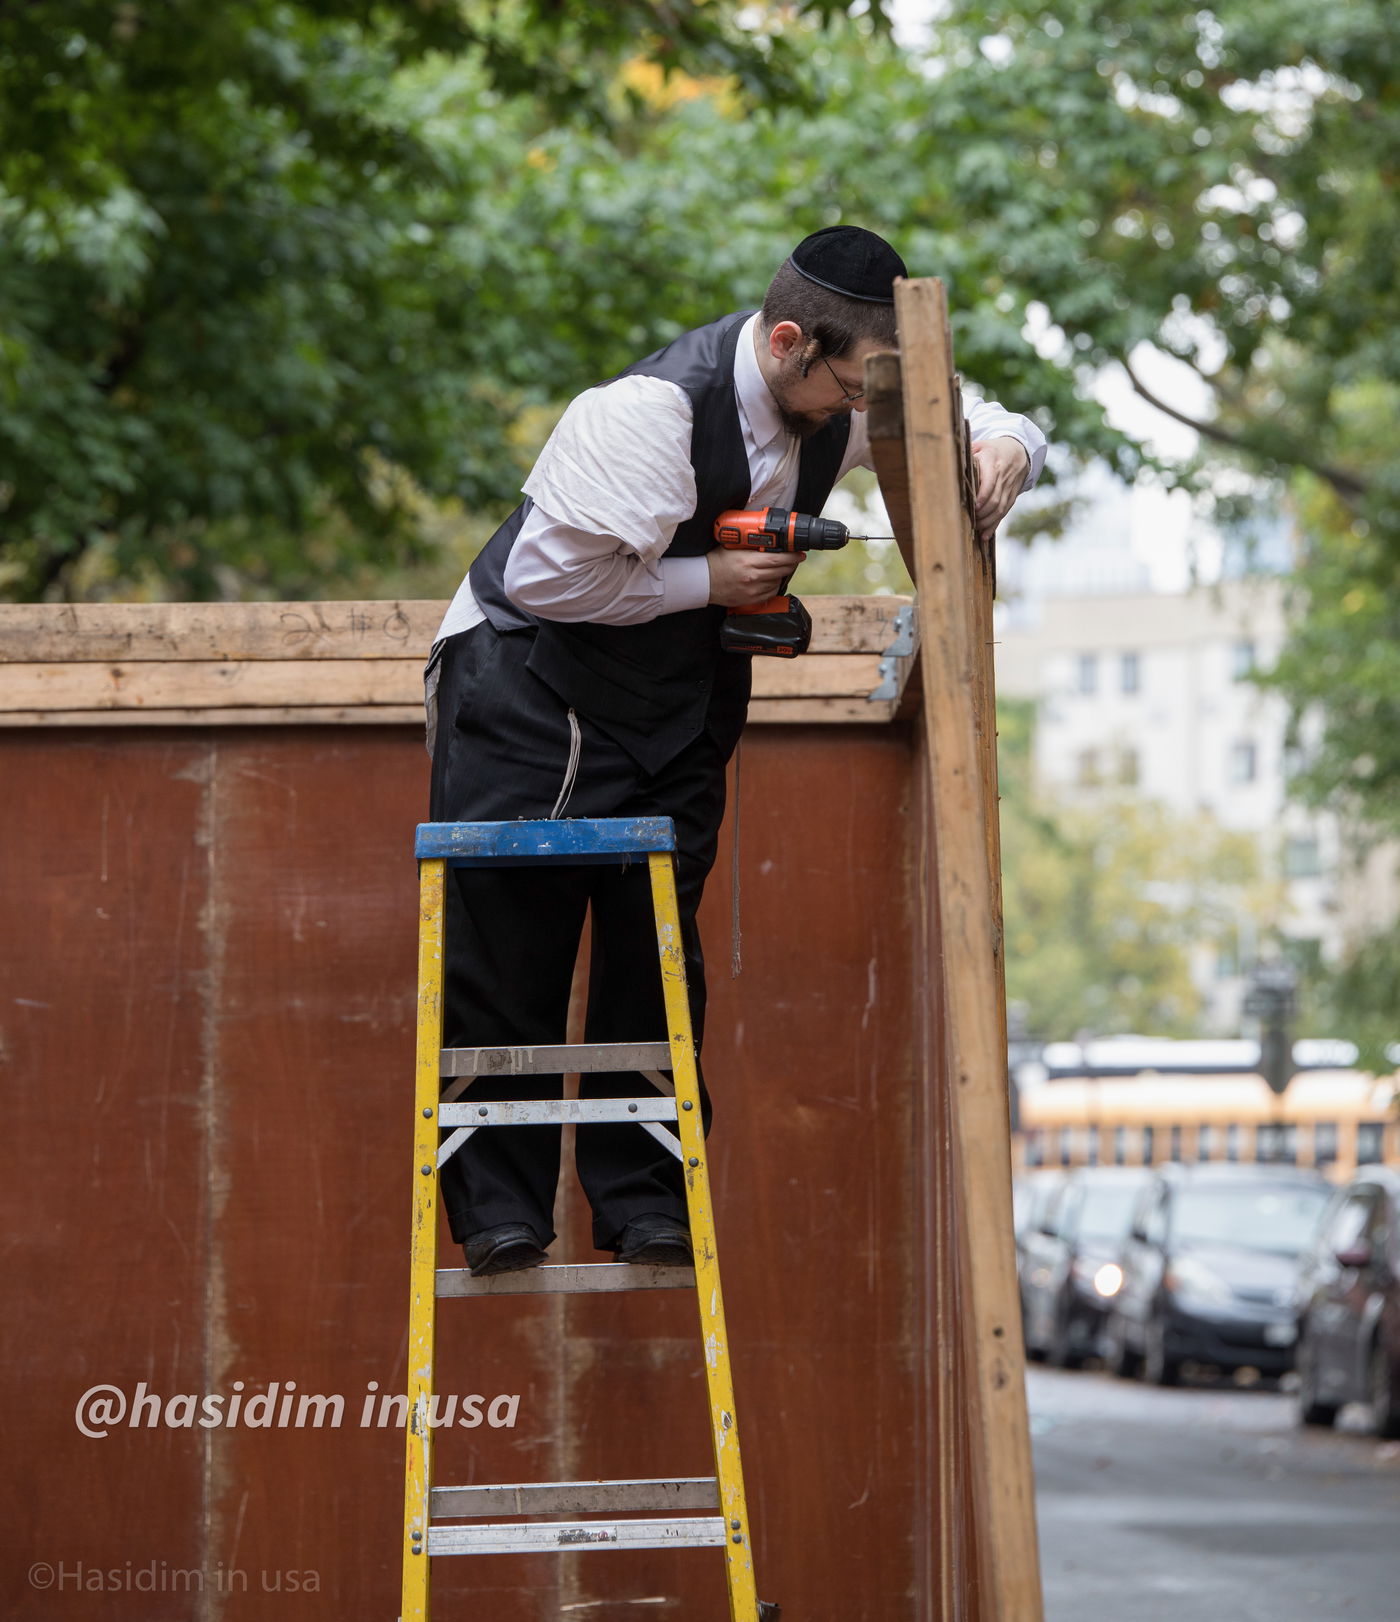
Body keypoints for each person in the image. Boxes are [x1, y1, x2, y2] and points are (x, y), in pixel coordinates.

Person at [425, 225, 1047, 1276]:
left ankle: (643, 1200)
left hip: (676, 692)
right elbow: (542, 583)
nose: (861, 409)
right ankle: (500, 1212)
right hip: (531, 683)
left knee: (655, 944)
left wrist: (1004, 444)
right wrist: (711, 584)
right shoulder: (645, 415)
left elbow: (973, 406)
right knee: (512, 946)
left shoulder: (835, 403)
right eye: (852, 383)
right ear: (791, 342)